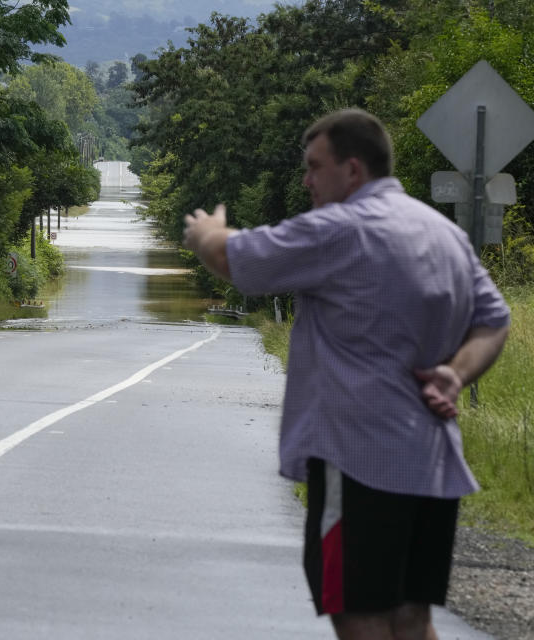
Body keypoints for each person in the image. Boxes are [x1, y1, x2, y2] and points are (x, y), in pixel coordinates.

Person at [182, 109, 510, 640]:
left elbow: (237, 261)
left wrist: (206, 233)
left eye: (315, 167)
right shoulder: (445, 234)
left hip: (357, 461)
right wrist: (456, 372)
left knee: (357, 614)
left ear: (352, 170)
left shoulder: (338, 230)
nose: (306, 181)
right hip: (430, 463)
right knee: (411, 616)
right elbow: (494, 320)